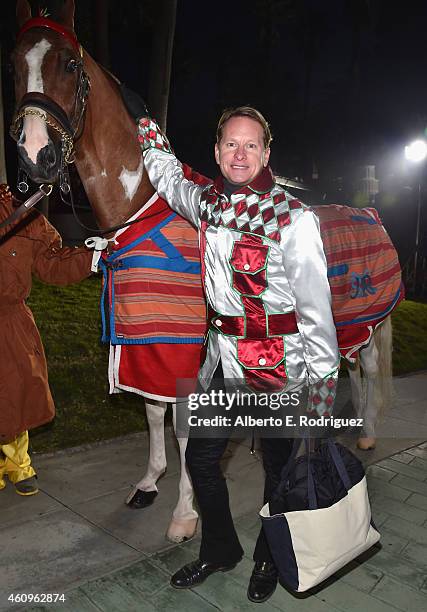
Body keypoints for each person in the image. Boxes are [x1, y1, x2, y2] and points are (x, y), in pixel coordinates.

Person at [138, 107, 340, 603]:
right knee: (202, 460)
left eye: (251, 145)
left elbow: (318, 319)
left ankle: (269, 557)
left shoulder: (293, 218)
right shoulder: (205, 201)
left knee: (279, 469)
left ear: (267, 153)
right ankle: (221, 549)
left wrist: (319, 404)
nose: (240, 154)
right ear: (216, 152)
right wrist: (143, 125)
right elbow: (166, 174)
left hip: (278, 369)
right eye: (231, 144)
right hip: (219, 365)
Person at [0, 183, 93, 496]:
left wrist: (92, 256)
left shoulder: (20, 215)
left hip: (10, 323)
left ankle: (18, 464)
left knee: (15, 391)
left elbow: (52, 263)